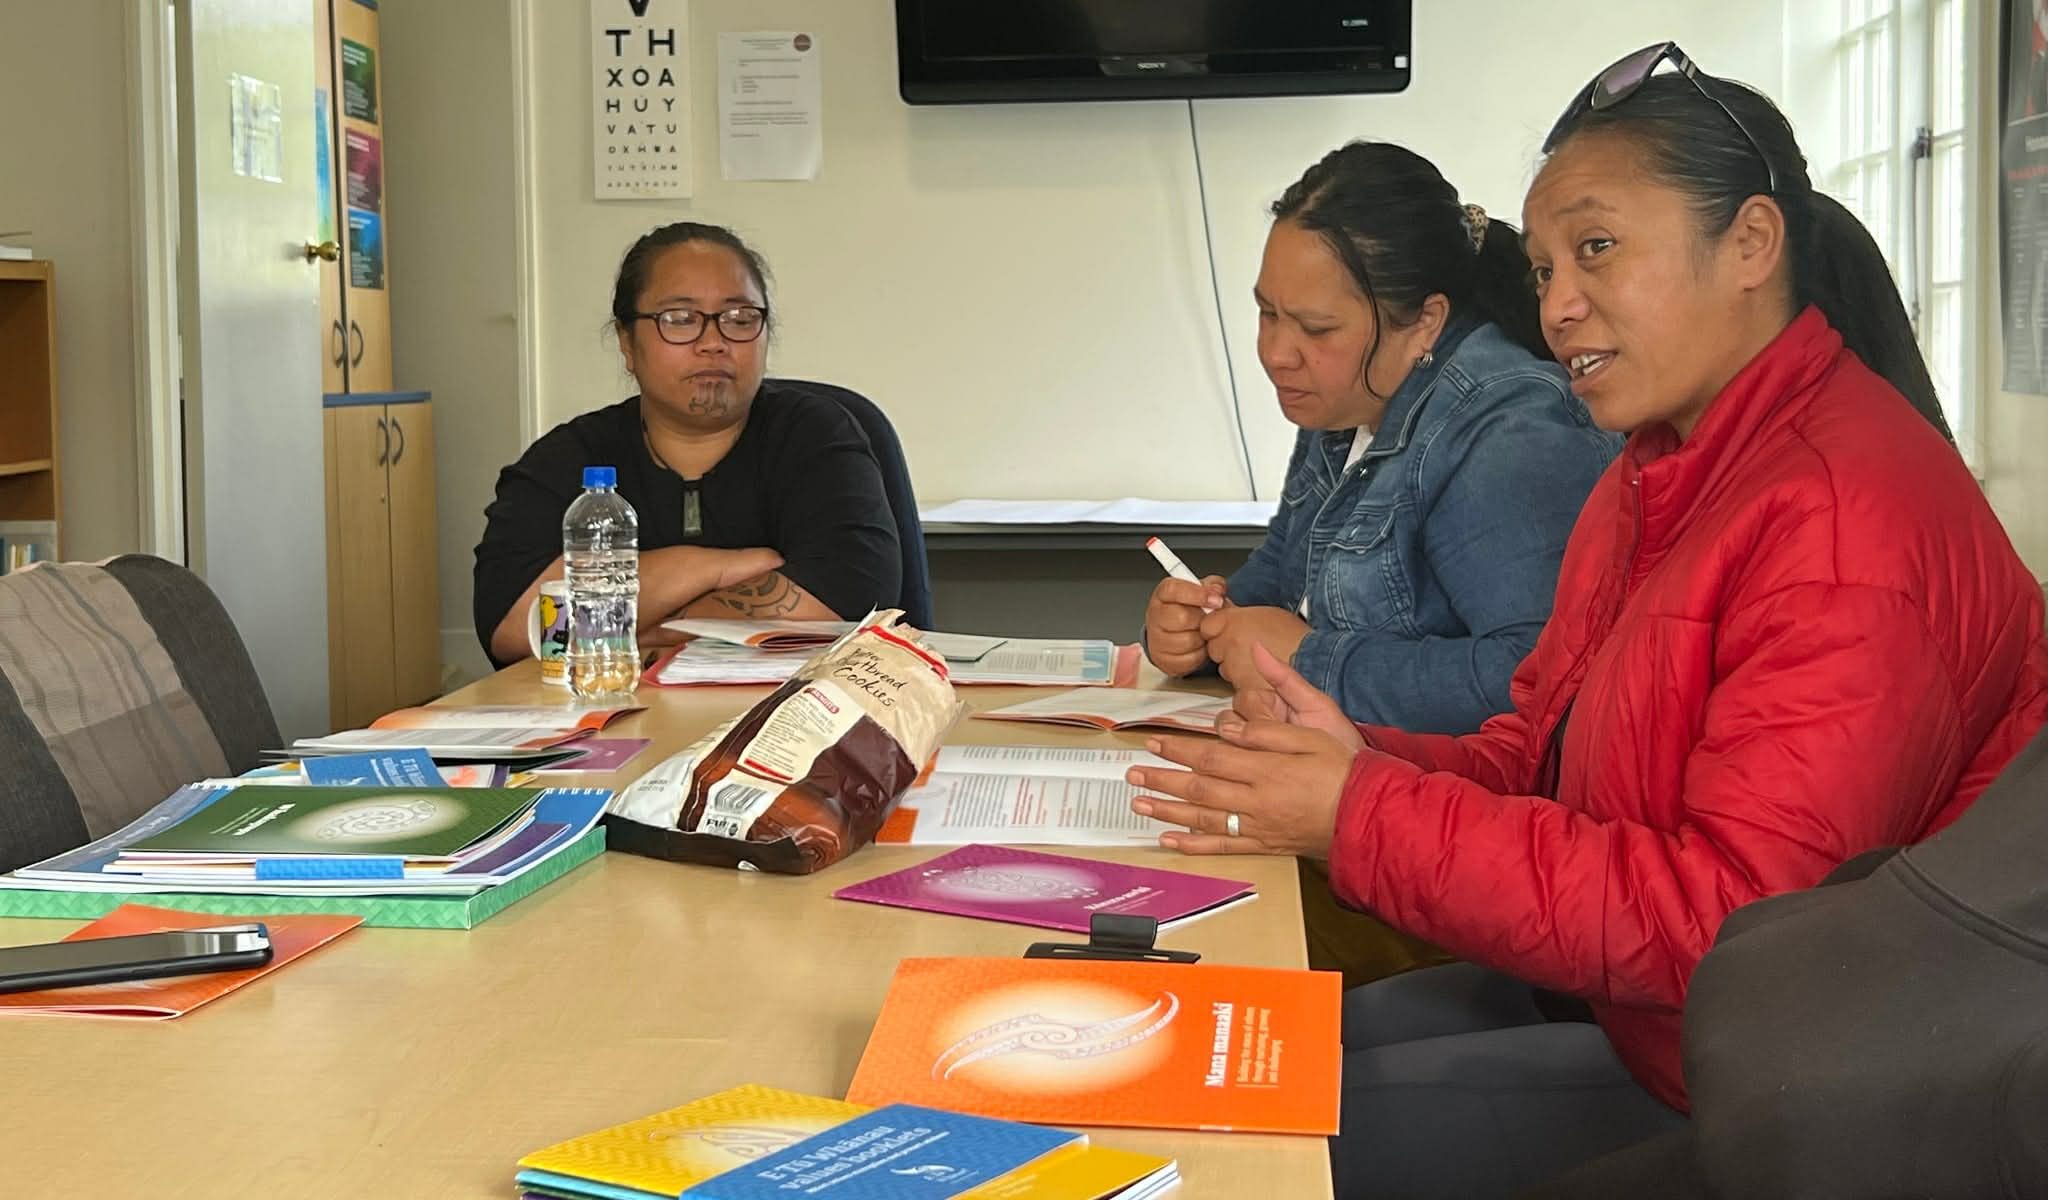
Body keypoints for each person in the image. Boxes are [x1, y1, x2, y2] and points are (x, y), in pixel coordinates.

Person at [1125, 44, 2048, 1199]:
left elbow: (1728, 925)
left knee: (1242, 1146)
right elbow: (1535, 749)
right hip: (1629, 1002)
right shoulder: (1649, 468)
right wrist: (1352, 761)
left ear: (1751, 245)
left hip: (1769, 1078)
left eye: (1597, 250)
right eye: (1546, 263)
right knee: (1210, 1065)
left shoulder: (1839, 526)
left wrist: (1357, 811)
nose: (1556, 305)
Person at [1142, 141, 1618, 735]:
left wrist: (1308, 661)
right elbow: (1287, 572)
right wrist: (1199, 625)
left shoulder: (1507, 433)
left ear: (1424, 322)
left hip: (1438, 806)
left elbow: (1534, 679)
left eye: (1317, 329)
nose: (1275, 354)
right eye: (1267, 313)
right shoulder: (1350, 396)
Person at [473, 222, 901, 666]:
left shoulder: (816, 436)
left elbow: (855, 600)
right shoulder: (568, 458)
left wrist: (640, 630)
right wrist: (708, 568)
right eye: (679, 319)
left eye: (740, 319)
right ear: (626, 342)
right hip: (612, 719)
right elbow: (510, 627)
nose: (714, 342)